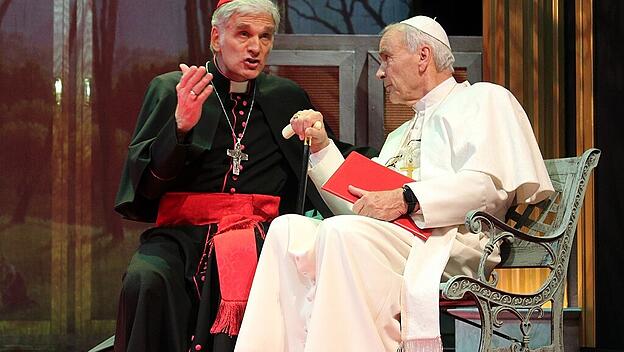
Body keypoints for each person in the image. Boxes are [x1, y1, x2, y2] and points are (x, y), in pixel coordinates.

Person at [235, 15, 555, 352]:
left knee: (341, 233)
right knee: (287, 230)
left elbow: (489, 188)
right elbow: (359, 210)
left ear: (423, 56)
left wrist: (408, 198)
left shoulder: (484, 99)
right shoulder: (401, 133)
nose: (380, 71)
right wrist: (321, 149)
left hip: (452, 240)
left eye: (387, 57)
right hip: (399, 239)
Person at [112, 0, 372, 351]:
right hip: (183, 238)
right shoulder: (173, 89)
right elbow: (145, 184)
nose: (256, 47)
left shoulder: (286, 96)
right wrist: (180, 129)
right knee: (146, 279)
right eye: (244, 34)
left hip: (263, 237)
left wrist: (395, 179)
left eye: (265, 37)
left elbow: (322, 159)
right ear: (217, 38)